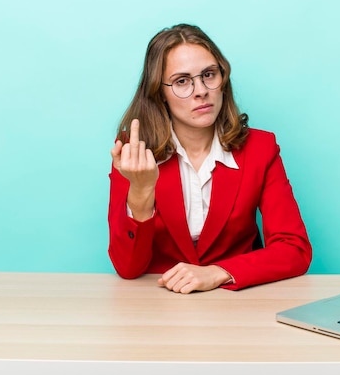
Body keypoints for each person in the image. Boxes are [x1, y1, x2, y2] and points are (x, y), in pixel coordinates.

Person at [108, 23, 311, 293]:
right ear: (160, 93)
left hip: (237, 303)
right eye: (182, 81)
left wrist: (220, 272)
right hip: (157, 304)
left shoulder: (260, 148)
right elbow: (128, 268)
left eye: (208, 75)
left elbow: (294, 249)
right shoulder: (133, 152)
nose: (201, 90)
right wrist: (141, 192)